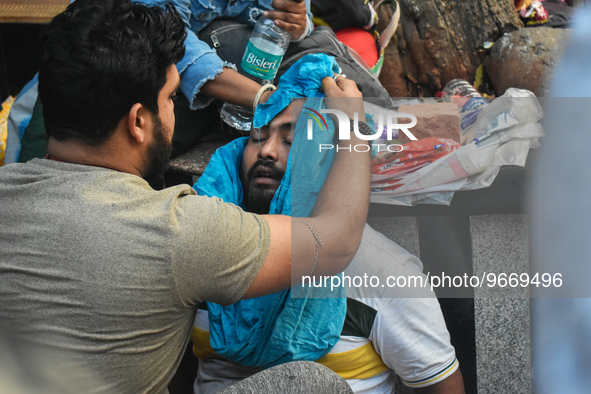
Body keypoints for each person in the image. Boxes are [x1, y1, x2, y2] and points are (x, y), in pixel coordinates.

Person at [0, 0, 371, 392]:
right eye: (171, 98)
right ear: (139, 122)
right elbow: (337, 238)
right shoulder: (179, 232)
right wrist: (351, 123)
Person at [190, 96, 466, 393]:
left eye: (291, 140)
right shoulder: (203, 249)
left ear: (335, 161)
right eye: (258, 136)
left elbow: (440, 386)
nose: (267, 151)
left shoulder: (385, 274)